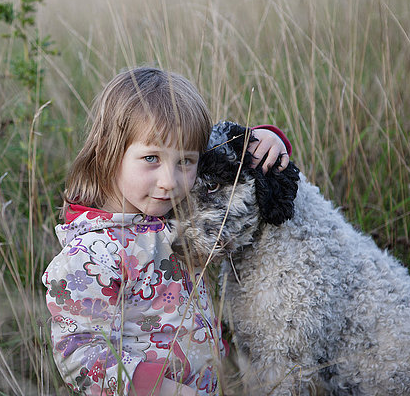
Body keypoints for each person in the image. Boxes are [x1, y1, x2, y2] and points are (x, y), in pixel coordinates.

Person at [42, 67, 291, 395]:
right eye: (150, 158)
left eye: (185, 161)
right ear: (108, 152)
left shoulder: (177, 215)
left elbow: (227, 162)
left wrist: (265, 139)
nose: (169, 181)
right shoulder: (90, 255)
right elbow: (81, 354)